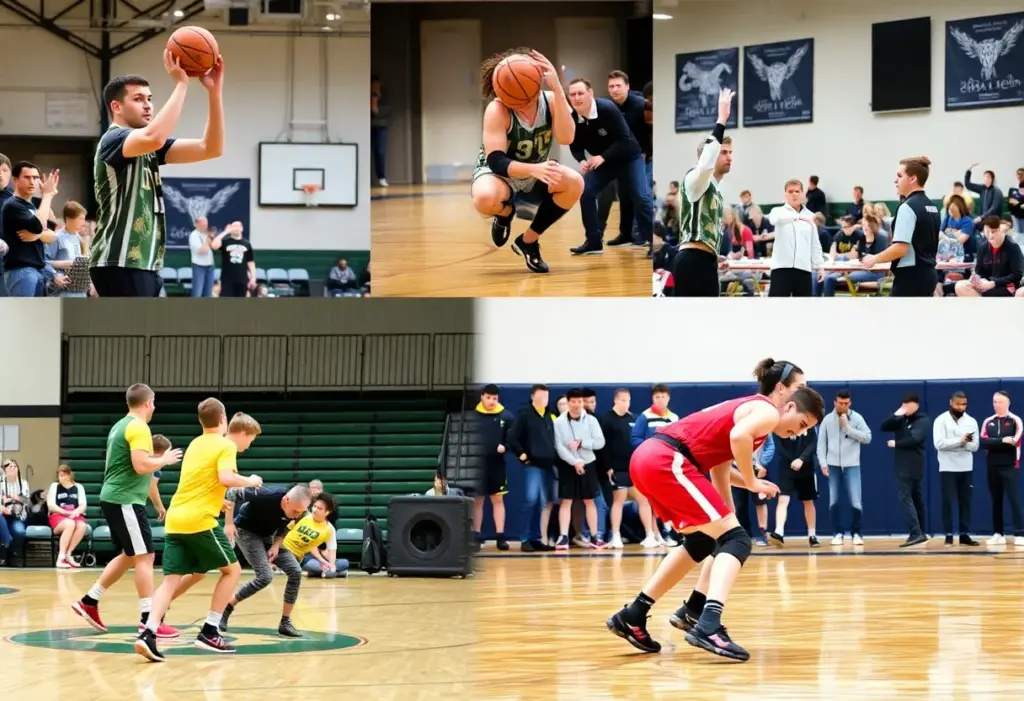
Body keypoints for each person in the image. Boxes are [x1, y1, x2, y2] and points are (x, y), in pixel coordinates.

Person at [607, 359, 825, 661]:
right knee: (737, 541)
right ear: (784, 396)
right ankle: (708, 624)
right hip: (667, 460)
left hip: (653, 459)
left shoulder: (752, 412)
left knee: (705, 541)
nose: (800, 433)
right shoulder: (765, 411)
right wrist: (751, 482)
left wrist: (734, 508)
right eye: (799, 389)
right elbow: (738, 440)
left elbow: (720, 466)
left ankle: (636, 614)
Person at [135, 403, 264, 661]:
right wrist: (250, 480)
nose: (249, 444)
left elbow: (198, 482)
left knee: (172, 579)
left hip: (176, 519)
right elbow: (226, 477)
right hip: (199, 521)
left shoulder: (195, 443)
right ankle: (210, 631)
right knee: (233, 570)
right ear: (224, 420)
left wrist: (218, 502)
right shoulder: (225, 445)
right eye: (251, 439)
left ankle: (148, 633)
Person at [89, 53, 225, 297]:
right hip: (119, 262)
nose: (148, 105)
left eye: (150, 99)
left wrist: (214, 94)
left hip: (144, 264)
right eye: (138, 99)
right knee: (132, 335)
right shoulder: (113, 139)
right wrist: (182, 84)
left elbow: (211, 148)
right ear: (116, 106)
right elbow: (154, 136)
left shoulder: (149, 148)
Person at [72, 384, 184, 637]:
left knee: (131, 554)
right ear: (148, 402)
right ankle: (148, 619)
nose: (154, 407)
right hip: (125, 499)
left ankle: (89, 601)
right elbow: (141, 465)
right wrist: (164, 460)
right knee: (145, 556)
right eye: (154, 403)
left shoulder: (120, 425)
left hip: (116, 497)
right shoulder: (139, 427)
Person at [471, 49, 582, 274]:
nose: (520, 100)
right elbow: (496, 161)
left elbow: (567, 137)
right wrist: (534, 168)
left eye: (524, 95)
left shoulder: (550, 100)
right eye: (512, 95)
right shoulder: (497, 109)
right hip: (500, 175)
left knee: (575, 183)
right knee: (484, 198)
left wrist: (558, 89)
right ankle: (505, 214)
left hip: (535, 171)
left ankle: (528, 241)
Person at [565, 78, 652, 256]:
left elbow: (625, 140)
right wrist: (581, 160)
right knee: (586, 192)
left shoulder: (607, 109)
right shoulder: (573, 118)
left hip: (629, 158)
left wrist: (602, 157)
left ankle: (653, 243)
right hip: (604, 162)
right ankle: (594, 241)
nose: (576, 97)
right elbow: (574, 144)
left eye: (580, 93)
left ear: (590, 94)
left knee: (641, 197)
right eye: (572, 94)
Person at [218, 483, 312, 637]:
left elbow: (286, 526)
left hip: (268, 536)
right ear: (286, 500)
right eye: (295, 511)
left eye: (300, 512)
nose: (297, 515)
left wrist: (276, 545)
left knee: (295, 571)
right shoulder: (267, 494)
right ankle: (227, 607)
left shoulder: (300, 509)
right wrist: (229, 523)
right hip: (246, 531)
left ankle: (285, 622)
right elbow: (232, 492)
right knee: (265, 576)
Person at [670, 88, 734, 296]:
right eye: (723, 152)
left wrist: (715, 256)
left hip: (705, 262)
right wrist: (721, 119)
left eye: (730, 153)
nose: (729, 157)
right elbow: (706, 164)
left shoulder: (714, 189)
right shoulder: (694, 178)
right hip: (691, 260)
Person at [861, 157, 939, 297]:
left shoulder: (907, 207)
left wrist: (874, 259)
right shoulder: (932, 207)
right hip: (929, 275)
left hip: (910, 278)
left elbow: (900, 248)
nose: (895, 181)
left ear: (912, 178)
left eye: (899, 176)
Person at [1, 162, 59, 296]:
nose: (32, 182)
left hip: (38, 270)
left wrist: (37, 236)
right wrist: (47, 196)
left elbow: (52, 236)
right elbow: (38, 226)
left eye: (35, 177)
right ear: (15, 180)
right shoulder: (12, 205)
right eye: (27, 177)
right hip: (21, 270)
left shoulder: (33, 207)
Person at [880, 394, 930, 548]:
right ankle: (919, 532)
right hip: (902, 465)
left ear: (917, 405)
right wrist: (897, 413)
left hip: (913, 465)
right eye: (904, 405)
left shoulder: (923, 420)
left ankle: (917, 532)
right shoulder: (901, 419)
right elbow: (884, 426)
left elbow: (915, 439)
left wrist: (897, 443)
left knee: (907, 497)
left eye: (909, 405)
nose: (906, 408)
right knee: (914, 498)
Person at [932, 391, 981, 547]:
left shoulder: (971, 421)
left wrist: (965, 443)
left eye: (964, 404)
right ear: (951, 403)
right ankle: (948, 534)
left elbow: (975, 446)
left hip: (966, 467)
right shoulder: (941, 420)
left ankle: (964, 534)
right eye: (958, 404)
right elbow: (939, 444)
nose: (961, 407)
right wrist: (959, 441)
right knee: (948, 501)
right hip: (947, 467)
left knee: (965, 501)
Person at [474, 384, 514, 550]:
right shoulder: (474, 416)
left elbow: (512, 439)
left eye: (495, 398)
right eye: (488, 398)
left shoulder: (507, 416)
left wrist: (505, 446)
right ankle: (476, 535)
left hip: (497, 465)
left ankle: (500, 536)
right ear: (482, 397)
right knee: (477, 500)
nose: (491, 401)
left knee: (498, 500)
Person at [981, 391, 1024, 546]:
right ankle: (998, 533)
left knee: (1014, 499)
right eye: (995, 402)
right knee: (996, 500)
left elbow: (1015, 441)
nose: (997, 405)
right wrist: (1001, 441)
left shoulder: (1015, 420)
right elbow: (983, 442)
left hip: (1010, 465)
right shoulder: (988, 422)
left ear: (1008, 403)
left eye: (1000, 402)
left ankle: (1019, 533)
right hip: (992, 466)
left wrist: (995, 442)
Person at [291, 493, 349, 578]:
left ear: (327, 512)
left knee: (345, 562)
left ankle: (317, 573)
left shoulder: (330, 528)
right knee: (312, 564)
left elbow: (332, 549)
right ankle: (335, 573)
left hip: (323, 559)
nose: (314, 510)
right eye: (314, 506)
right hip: (307, 557)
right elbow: (312, 548)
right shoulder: (305, 519)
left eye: (319, 508)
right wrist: (324, 562)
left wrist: (331, 564)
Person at [46, 465, 90, 568]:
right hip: (58, 516)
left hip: (75, 514)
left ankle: (68, 554)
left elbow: (83, 505)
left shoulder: (78, 487)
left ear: (70, 475)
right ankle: (60, 558)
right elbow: (51, 505)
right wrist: (64, 512)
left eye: (64, 475)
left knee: (82, 526)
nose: (62, 477)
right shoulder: (55, 486)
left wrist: (75, 512)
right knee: (70, 524)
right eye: (60, 475)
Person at [211, 222, 255, 297]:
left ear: (242, 228)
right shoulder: (225, 241)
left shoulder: (247, 244)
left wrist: (253, 278)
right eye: (234, 226)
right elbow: (214, 245)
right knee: (226, 303)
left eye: (238, 226)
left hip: (242, 279)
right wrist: (226, 232)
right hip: (227, 279)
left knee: (240, 304)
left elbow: (250, 262)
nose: (236, 228)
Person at [1, 459, 32, 565]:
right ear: (5, 471)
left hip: (18, 515)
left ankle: (11, 553)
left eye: (15, 466)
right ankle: (6, 547)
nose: (13, 467)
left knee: (20, 532)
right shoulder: (1, 483)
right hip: (3, 515)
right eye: (9, 466)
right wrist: (13, 499)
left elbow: (26, 500)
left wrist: (9, 498)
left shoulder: (23, 483)